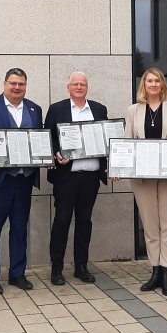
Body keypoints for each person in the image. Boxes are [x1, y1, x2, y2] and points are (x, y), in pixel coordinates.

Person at [0, 68, 43, 294]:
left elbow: (39, 141)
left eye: (21, 84)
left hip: (23, 179)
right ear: (4, 84)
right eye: (13, 83)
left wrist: (46, 155)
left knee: (20, 228)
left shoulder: (35, 109)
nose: (17, 87)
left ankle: (17, 274)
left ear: (25, 86)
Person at [123, 67, 167, 297]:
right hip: (143, 176)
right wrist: (120, 167)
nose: (153, 84)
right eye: (149, 80)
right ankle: (155, 272)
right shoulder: (133, 110)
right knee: (150, 225)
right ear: (144, 84)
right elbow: (127, 143)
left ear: (162, 84)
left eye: (157, 80)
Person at [44, 71, 109, 286]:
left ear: (87, 87)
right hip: (66, 177)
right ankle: (57, 269)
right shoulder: (57, 109)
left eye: (83, 84)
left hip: (91, 176)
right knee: (62, 221)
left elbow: (107, 139)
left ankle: (81, 266)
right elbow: (48, 138)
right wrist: (56, 153)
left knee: (84, 221)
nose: (79, 87)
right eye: (75, 84)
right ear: (68, 87)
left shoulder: (99, 109)